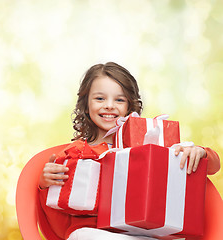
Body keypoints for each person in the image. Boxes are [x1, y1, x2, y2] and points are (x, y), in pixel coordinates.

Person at [38, 62, 221, 240]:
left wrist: (200, 152)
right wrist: (45, 185)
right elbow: (57, 217)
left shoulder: (146, 147)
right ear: (86, 105)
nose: (109, 105)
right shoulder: (77, 153)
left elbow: (212, 167)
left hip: (141, 232)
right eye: (100, 98)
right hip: (89, 233)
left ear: (130, 106)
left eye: (119, 99)